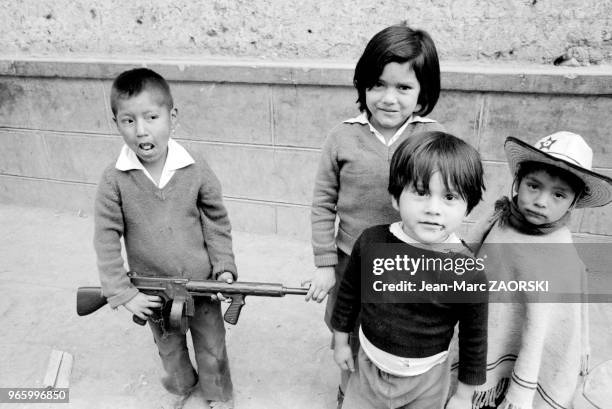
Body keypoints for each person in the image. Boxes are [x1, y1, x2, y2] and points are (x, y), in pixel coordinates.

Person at [307, 23, 445, 404]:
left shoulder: (432, 139)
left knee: (394, 328)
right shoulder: (342, 137)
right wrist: (323, 261)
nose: (388, 98)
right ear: (363, 86)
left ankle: (398, 390)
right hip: (349, 257)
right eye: (378, 85)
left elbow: (448, 198)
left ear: (422, 95)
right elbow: (322, 203)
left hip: (410, 260)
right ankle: (347, 388)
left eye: (403, 88)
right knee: (345, 325)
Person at [94, 68, 236, 409]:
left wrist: (224, 268)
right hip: (153, 293)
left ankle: (217, 394)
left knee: (212, 345)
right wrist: (122, 292)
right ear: (116, 122)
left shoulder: (195, 166)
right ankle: (183, 385)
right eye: (128, 120)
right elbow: (106, 237)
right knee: (169, 348)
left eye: (151, 117)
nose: (141, 130)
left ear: (172, 117)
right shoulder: (114, 179)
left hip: (200, 285)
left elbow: (216, 221)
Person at [331, 131, 488, 409]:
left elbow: (474, 338)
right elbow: (348, 295)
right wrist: (341, 341)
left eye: (449, 197)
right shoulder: (371, 242)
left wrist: (464, 396)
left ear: (468, 206)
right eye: (420, 192)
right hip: (368, 369)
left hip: (427, 382)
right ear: (395, 197)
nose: (433, 209)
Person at [466, 131, 612, 408]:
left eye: (558, 194)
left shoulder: (561, 257)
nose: (542, 201)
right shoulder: (497, 223)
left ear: (574, 201)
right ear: (518, 182)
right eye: (534, 186)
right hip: (478, 338)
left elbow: (551, 326)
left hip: (522, 360)